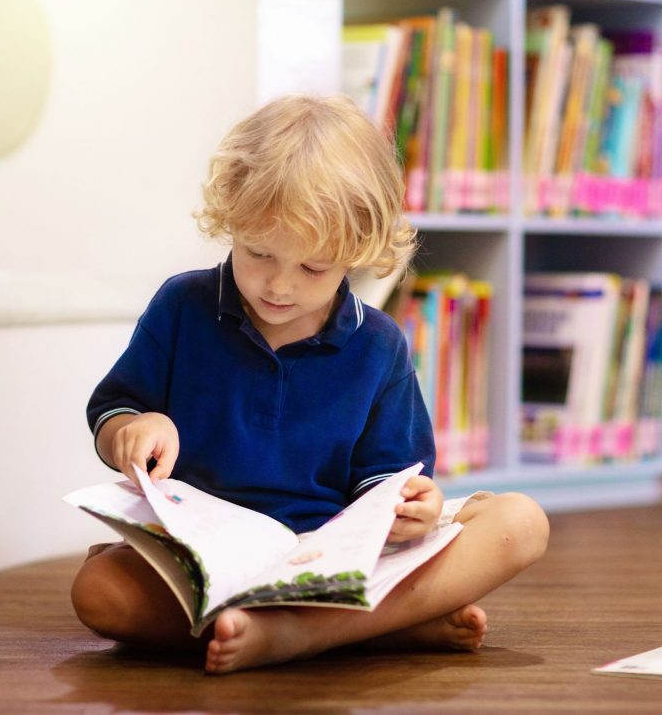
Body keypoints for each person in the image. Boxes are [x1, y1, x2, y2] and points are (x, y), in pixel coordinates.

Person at [70, 94, 550, 674]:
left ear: (357, 252)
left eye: (313, 268)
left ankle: (298, 632)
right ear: (231, 221)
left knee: (520, 522)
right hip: (206, 556)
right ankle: (372, 629)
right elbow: (115, 411)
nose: (278, 284)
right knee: (99, 592)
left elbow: (389, 485)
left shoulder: (380, 345)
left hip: (333, 559)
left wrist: (411, 509)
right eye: (259, 253)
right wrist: (132, 428)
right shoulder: (182, 306)